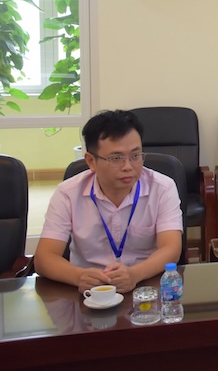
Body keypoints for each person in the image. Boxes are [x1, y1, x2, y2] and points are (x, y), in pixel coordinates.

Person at [34, 110, 182, 294]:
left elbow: (171, 248)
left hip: (145, 287)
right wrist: (78, 276)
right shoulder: (68, 193)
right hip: (89, 290)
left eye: (135, 156)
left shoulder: (162, 188)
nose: (128, 166)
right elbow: (44, 258)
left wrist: (134, 274)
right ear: (91, 161)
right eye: (116, 158)